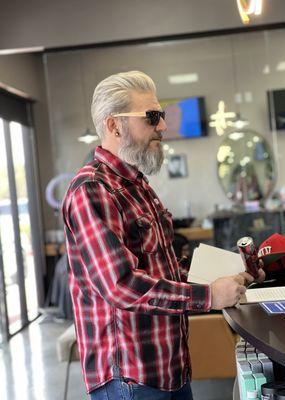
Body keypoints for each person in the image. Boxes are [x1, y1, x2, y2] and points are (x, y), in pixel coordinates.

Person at [62, 71, 265, 400]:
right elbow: (121, 285)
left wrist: (230, 277)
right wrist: (209, 296)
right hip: (130, 378)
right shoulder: (92, 190)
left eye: (162, 116)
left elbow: (162, 267)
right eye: (152, 117)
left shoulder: (138, 185)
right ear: (115, 126)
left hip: (170, 367)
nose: (163, 127)